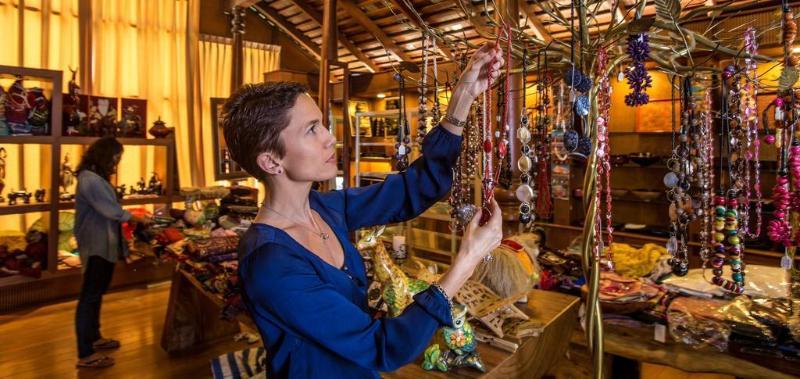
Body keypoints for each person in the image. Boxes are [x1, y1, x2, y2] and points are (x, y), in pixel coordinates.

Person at [224, 42, 505, 378]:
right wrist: (466, 262)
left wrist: (463, 96)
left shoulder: (325, 208)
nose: (330, 138)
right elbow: (382, 347)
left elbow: (415, 187)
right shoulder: (270, 263)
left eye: (323, 125)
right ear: (271, 161)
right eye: (311, 130)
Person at [73, 136, 149, 368]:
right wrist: (137, 218)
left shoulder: (93, 177)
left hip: (103, 242)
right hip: (96, 244)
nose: (116, 163)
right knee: (90, 295)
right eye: (115, 158)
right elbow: (110, 210)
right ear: (105, 155)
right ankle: (85, 354)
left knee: (97, 292)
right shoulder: (90, 180)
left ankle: (94, 338)